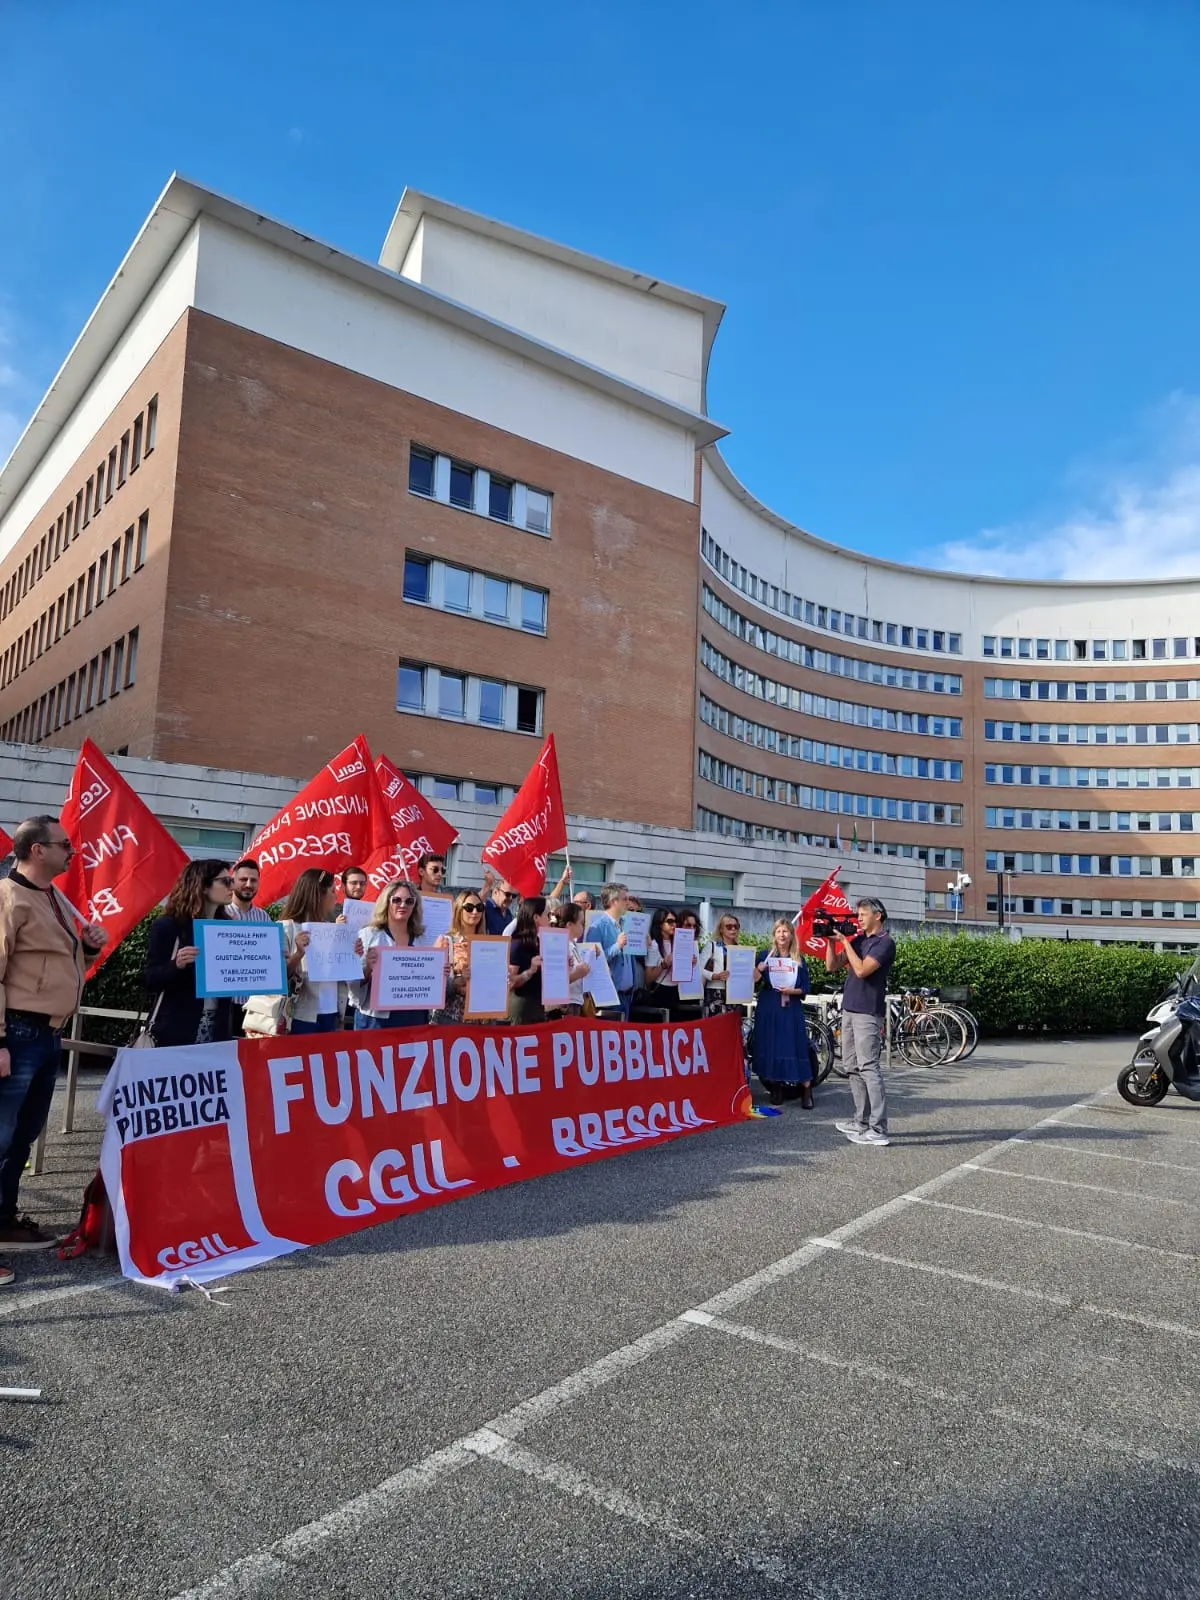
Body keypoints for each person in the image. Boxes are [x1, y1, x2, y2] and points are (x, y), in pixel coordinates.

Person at [0, 816, 107, 1276]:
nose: (72, 851)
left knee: (21, 1136)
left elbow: (54, 962)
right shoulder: (9, 897)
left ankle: (4, 1220)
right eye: (65, 844)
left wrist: (89, 947)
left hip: (46, 1034)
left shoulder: (52, 898)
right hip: (18, 1033)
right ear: (37, 850)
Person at [142, 860, 236, 1049]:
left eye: (231, 881)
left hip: (217, 1029)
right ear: (202, 886)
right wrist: (176, 965)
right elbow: (149, 979)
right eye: (225, 881)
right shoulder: (169, 926)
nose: (232, 887)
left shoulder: (227, 928)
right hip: (177, 1028)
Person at [828, 897, 897, 1147]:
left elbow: (861, 970)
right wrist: (830, 941)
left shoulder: (885, 943)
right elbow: (831, 966)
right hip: (849, 1009)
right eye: (858, 914)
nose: (858, 918)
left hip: (868, 1011)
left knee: (869, 1067)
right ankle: (861, 1122)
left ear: (877, 915)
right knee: (851, 1066)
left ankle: (878, 1128)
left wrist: (846, 943)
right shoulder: (859, 940)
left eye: (863, 914)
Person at [245, 868, 345, 1036]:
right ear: (317, 894)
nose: (336, 896)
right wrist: (298, 954)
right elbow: (276, 977)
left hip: (331, 1012)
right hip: (299, 1014)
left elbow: (341, 971)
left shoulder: (332, 931)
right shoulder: (285, 928)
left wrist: (353, 953)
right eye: (332, 891)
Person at [355, 884, 444, 1030]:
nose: (403, 905)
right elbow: (352, 983)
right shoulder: (368, 935)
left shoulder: (422, 939)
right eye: (396, 900)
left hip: (414, 1018)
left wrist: (439, 972)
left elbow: (427, 978)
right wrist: (368, 969)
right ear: (386, 902)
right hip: (376, 1021)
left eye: (409, 901)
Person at [751, 919, 813, 1107]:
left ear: (791, 935)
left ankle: (806, 1089)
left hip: (790, 1007)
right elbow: (751, 981)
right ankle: (776, 1088)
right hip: (770, 1006)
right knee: (772, 1046)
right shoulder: (765, 955)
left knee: (795, 1045)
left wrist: (790, 991)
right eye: (778, 931)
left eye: (785, 931)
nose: (782, 935)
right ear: (774, 935)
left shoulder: (798, 959)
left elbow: (805, 988)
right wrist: (758, 969)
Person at [226, 858, 272, 1034]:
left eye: (253, 880)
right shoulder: (221, 915)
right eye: (243, 879)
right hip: (226, 1003)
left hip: (256, 1007)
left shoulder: (264, 918)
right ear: (233, 881)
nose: (248, 884)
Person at [435, 889, 488, 1024]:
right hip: (451, 1019)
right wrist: (458, 980)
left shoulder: (489, 943)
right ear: (459, 910)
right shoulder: (445, 942)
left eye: (479, 907)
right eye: (469, 908)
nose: (475, 912)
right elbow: (433, 986)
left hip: (481, 1021)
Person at [588, 883, 635, 1017]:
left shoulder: (627, 924)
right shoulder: (597, 928)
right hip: (610, 997)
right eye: (624, 899)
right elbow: (593, 962)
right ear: (613, 901)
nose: (628, 902)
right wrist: (617, 946)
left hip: (627, 996)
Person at [507, 896, 551, 1025]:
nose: (551, 919)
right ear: (536, 917)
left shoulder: (540, 942)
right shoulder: (517, 944)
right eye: (548, 914)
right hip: (521, 1009)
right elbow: (510, 982)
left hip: (538, 1007)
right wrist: (530, 971)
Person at [547, 901, 592, 1017]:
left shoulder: (572, 945)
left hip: (575, 1002)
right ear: (569, 925)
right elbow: (554, 980)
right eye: (581, 923)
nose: (584, 926)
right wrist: (578, 974)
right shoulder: (559, 945)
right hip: (565, 1005)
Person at [701, 911, 743, 1011]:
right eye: (729, 926)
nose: (733, 929)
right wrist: (714, 976)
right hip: (715, 991)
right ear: (721, 929)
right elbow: (698, 968)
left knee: (732, 1025)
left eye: (736, 926)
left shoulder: (740, 949)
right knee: (716, 1025)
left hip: (734, 993)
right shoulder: (712, 946)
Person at [481, 871, 517, 936]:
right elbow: (475, 903)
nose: (511, 898)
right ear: (495, 892)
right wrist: (487, 885)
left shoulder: (508, 914)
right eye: (507, 894)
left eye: (514, 896)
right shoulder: (486, 906)